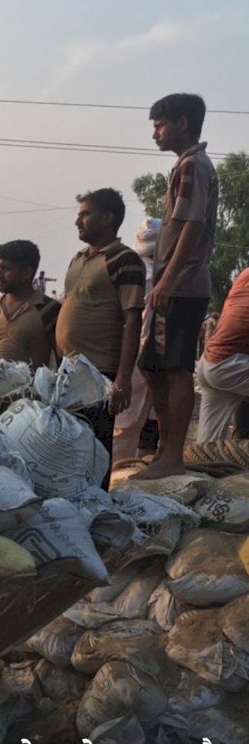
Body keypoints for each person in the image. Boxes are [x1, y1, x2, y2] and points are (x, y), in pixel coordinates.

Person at [136, 94, 218, 479]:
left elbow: (193, 226)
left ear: (182, 123)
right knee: (152, 364)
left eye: (160, 125)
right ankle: (165, 451)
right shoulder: (184, 166)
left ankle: (172, 456)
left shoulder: (193, 166)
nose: (155, 133)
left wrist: (166, 280)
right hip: (173, 286)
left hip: (182, 286)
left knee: (175, 368)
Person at [56, 188, 145, 481]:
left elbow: (132, 320)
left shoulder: (125, 260)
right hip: (67, 370)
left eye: (85, 214)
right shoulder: (78, 259)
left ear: (107, 218)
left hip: (98, 373)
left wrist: (122, 379)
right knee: (66, 448)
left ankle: (97, 512)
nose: (77, 221)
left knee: (94, 453)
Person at [0, 240, 60, 376]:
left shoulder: (49, 310)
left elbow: (63, 360)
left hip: (28, 396)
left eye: (6, 269)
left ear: (26, 272)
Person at [112, 217, 162, 463]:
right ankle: (116, 477)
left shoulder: (127, 268)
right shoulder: (150, 277)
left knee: (148, 419)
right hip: (139, 357)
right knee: (126, 426)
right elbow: (145, 326)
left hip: (126, 355)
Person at [195, 268, 249, 442]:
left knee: (206, 446)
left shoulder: (245, 274)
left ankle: (203, 466)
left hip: (210, 363)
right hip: (231, 365)